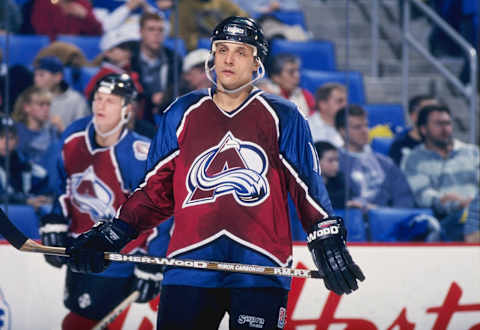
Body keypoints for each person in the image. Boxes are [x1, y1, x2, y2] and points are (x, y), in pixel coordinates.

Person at [66, 16, 365, 329]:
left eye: (240, 51)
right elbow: (155, 193)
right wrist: (115, 232)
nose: (229, 59)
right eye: (222, 49)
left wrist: (327, 242)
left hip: (260, 268)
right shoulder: (181, 112)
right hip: (189, 267)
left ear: (256, 62)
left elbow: (308, 189)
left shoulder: (283, 116)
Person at [39, 73, 169, 329]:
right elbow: (62, 186)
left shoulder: (140, 154)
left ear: (127, 110)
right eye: (98, 99)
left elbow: (161, 209)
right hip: (80, 251)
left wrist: (152, 260)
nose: (101, 105)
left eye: (111, 101)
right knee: (75, 318)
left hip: (121, 260)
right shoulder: (74, 137)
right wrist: (55, 219)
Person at [402, 104, 479, 241]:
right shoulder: (414, 159)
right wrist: (458, 204)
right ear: (423, 129)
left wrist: (471, 205)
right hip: (444, 220)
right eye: (439, 124)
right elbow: (424, 196)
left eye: (448, 123)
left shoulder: (472, 152)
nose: (445, 128)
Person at [335, 105, 416, 212]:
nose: (365, 131)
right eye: (357, 127)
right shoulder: (334, 163)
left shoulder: (385, 162)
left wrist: (384, 215)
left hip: (386, 220)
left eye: (366, 125)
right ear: (342, 131)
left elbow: (404, 198)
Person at [131, 11, 182, 123]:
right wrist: (151, 98)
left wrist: (165, 97)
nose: (157, 34)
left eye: (160, 30)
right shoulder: (131, 58)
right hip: (138, 114)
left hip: (167, 111)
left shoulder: (173, 58)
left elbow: (178, 87)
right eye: (151, 29)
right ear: (141, 32)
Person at [0, 116, 51, 209]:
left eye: (10, 138)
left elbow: (44, 183)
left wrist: (43, 198)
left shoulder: (25, 165)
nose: (5, 142)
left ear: (16, 141)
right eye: (1, 137)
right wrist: (25, 201)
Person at [34, 56, 90, 133]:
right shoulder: (32, 99)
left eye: (41, 75)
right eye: (35, 75)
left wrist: (62, 129)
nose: (36, 79)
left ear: (57, 77)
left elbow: (81, 133)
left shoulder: (76, 100)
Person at [12, 86, 61, 167]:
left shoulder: (53, 132)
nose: (46, 109)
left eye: (48, 104)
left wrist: (62, 131)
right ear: (26, 108)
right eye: (41, 105)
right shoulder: (14, 131)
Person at [388, 94, 438, 167]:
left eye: (438, 111)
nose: (436, 116)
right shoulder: (399, 146)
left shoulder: (446, 144)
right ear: (413, 116)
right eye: (428, 112)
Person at [269, 53, 315, 117]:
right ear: (276, 77)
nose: (297, 76)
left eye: (298, 71)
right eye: (291, 72)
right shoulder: (267, 94)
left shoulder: (306, 95)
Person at [31, 0, 103, 41]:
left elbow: (97, 33)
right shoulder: (43, 3)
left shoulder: (82, 3)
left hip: (80, 51)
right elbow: (41, 32)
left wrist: (86, 16)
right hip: (52, 49)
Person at [314, 141, 352, 210]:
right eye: (330, 160)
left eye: (337, 160)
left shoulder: (339, 178)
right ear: (316, 161)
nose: (336, 165)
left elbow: (348, 196)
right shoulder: (309, 185)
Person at [307, 82, 347, 147]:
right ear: (323, 104)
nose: (345, 105)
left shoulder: (351, 126)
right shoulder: (307, 128)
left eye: (346, 101)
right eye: (340, 101)